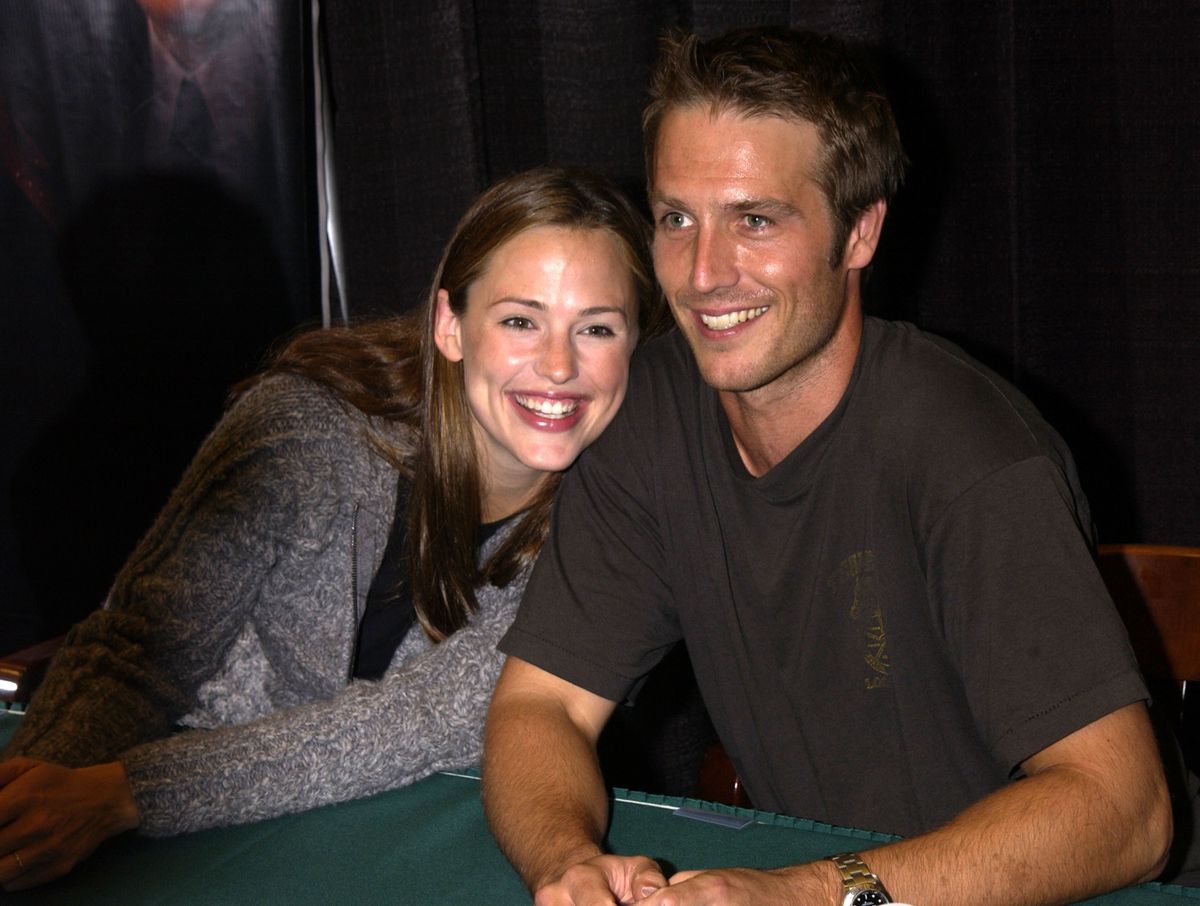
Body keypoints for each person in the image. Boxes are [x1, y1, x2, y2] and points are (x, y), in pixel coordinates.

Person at [482, 28, 1181, 906]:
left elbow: (1129, 813)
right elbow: (539, 708)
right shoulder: (650, 413)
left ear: (859, 233)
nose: (703, 274)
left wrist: (808, 894)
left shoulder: (970, 453)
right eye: (676, 219)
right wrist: (565, 862)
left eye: (756, 220)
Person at [0, 165, 662, 892]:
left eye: (596, 327)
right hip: (168, 837)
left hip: (384, 851)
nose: (559, 366)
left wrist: (126, 795)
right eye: (520, 320)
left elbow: (412, 723)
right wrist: (34, 805)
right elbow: (137, 649)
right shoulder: (305, 427)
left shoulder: (615, 526)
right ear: (450, 326)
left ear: (636, 346)